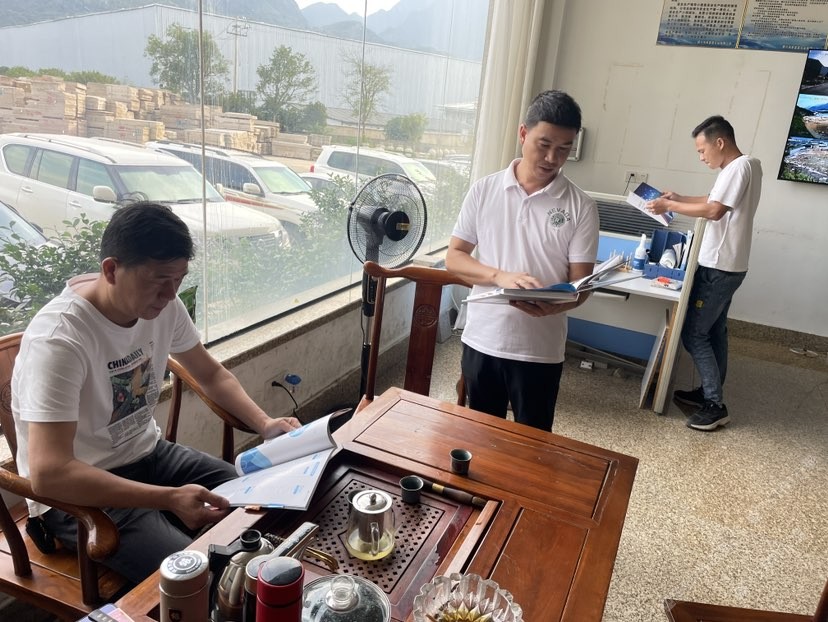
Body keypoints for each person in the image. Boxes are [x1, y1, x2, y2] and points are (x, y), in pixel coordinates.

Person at [11, 202, 302, 584]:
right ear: (111, 270)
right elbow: (50, 474)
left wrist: (264, 424)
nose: (170, 294)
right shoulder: (60, 340)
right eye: (160, 280)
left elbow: (210, 374)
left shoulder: (164, 305)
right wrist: (166, 498)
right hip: (80, 492)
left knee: (261, 504)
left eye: (179, 279)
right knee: (200, 577)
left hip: (149, 453)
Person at [446, 90, 599, 431]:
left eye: (564, 149)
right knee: (480, 438)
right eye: (544, 144)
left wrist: (556, 305)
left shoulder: (581, 206)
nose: (552, 158)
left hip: (540, 350)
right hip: (483, 339)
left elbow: (581, 285)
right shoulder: (484, 190)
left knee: (533, 444)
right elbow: (454, 258)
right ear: (523, 133)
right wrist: (499, 276)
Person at [647, 115, 762, 431]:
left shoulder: (738, 168)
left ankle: (714, 405)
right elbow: (713, 201)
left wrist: (668, 208)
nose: (701, 157)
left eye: (702, 150)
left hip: (718, 267)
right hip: (731, 265)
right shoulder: (747, 166)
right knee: (714, 332)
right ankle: (708, 393)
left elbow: (714, 211)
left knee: (694, 333)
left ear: (720, 142)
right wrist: (678, 198)